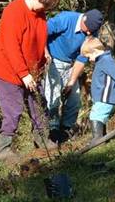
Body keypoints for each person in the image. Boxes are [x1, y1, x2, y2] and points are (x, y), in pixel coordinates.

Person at [0, 0, 60, 164]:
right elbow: (11, 47)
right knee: (13, 110)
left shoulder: (39, 13)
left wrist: (44, 52)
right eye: (46, 6)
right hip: (7, 69)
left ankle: (42, 140)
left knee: (38, 103)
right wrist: (23, 73)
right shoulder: (13, 12)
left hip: (32, 69)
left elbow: (38, 36)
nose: (46, 10)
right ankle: (3, 151)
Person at [44, 9, 103, 143]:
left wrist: (71, 82)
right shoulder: (66, 19)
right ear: (83, 19)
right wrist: (45, 52)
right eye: (87, 29)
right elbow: (41, 31)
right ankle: (52, 131)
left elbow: (82, 58)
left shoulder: (92, 31)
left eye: (91, 31)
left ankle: (66, 130)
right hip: (53, 60)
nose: (88, 33)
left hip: (71, 64)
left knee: (74, 98)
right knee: (53, 97)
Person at [80, 37, 115, 143]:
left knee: (96, 115)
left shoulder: (106, 60)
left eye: (89, 56)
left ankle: (97, 139)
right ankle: (102, 137)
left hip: (106, 96)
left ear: (95, 51)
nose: (89, 59)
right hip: (102, 96)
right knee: (100, 116)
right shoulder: (102, 60)